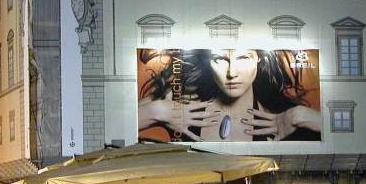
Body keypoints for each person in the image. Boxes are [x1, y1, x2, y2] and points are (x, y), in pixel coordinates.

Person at [137, 48, 322, 142]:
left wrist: (301, 115)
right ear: (207, 61)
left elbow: (347, 138)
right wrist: (157, 111)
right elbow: (113, 125)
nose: (232, 72)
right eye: (219, 59)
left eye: (243, 58)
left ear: (259, 57)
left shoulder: (281, 115)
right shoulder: (182, 101)